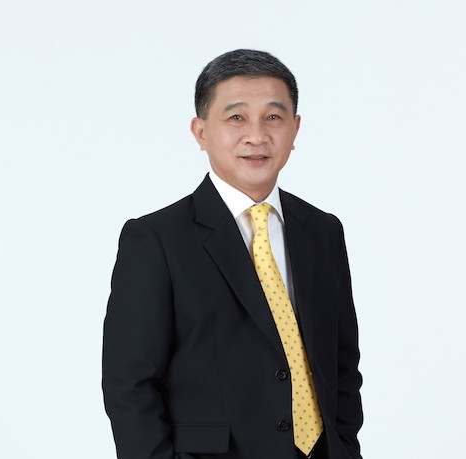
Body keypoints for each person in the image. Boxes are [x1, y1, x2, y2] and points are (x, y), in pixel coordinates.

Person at [102, 49, 363, 459]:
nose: (256, 136)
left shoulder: (323, 231)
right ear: (201, 131)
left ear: (295, 129)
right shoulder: (156, 239)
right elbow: (129, 387)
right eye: (236, 117)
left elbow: (341, 366)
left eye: (273, 117)